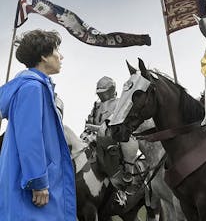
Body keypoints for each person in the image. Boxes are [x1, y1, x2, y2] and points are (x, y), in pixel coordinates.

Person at [0, 29, 76, 220]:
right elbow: (30, 139)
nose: (62, 56)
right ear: (44, 56)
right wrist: (38, 181)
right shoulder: (32, 88)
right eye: (57, 50)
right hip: (33, 188)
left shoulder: (35, 86)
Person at [80, 76, 118, 144]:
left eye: (103, 93)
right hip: (94, 138)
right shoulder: (96, 106)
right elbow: (89, 123)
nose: (101, 96)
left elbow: (113, 127)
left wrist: (92, 127)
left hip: (112, 139)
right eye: (99, 94)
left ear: (110, 90)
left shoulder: (119, 103)